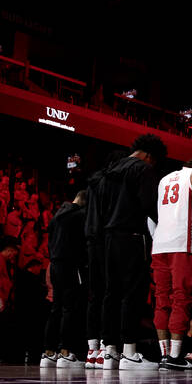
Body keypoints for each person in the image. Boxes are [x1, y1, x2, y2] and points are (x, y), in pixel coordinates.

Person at [101, 134, 167, 370]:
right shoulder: (143, 169)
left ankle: (109, 352)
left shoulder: (109, 170)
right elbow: (149, 205)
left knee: (111, 293)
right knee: (132, 293)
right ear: (150, 156)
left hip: (108, 237)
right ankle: (130, 351)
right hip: (132, 236)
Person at [152, 159, 192, 370]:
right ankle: (175, 356)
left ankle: (164, 354)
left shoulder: (164, 179)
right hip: (181, 243)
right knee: (181, 296)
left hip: (159, 243)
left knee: (161, 298)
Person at [82, 150, 126, 368]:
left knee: (95, 296)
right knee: (111, 293)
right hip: (106, 239)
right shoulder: (111, 181)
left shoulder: (92, 183)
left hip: (91, 241)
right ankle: (108, 349)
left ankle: (93, 350)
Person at [41, 190, 87, 369]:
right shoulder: (80, 215)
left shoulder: (56, 215)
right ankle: (66, 352)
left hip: (54, 264)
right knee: (69, 308)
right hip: (70, 265)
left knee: (56, 308)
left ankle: (48, 352)